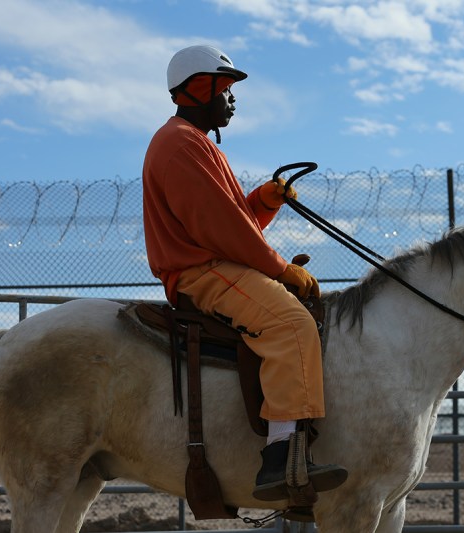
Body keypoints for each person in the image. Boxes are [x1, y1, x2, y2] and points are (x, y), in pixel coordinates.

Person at [141, 45, 347, 502]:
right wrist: (281, 269)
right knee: (291, 324)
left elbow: (232, 218)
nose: (234, 100)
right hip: (202, 272)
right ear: (200, 88)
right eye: (227, 89)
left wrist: (265, 200)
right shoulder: (179, 143)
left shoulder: (192, 141)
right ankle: (280, 458)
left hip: (215, 263)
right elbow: (221, 229)